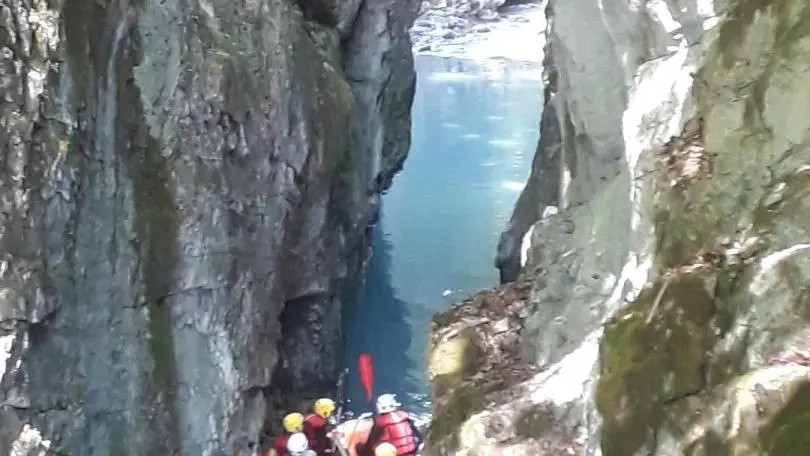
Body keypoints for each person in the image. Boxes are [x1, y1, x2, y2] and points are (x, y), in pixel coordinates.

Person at [357, 394, 421, 456]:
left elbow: (370, 444)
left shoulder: (380, 422)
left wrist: (360, 450)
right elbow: (418, 435)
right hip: (413, 452)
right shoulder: (406, 417)